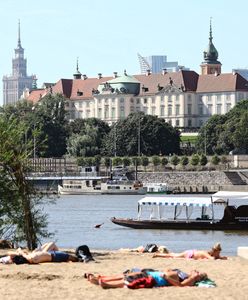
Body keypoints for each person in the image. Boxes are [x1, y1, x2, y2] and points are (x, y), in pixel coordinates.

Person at [85, 268, 208, 289]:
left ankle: (105, 284)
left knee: (128, 281)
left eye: (198, 272)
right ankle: (100, 280)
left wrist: (166, 276)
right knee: (127, 276)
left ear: (198, 277)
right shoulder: (185, 274)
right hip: (153, 274)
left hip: (157, 280)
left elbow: (180, 286)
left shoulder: (191, 279)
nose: (195, 271)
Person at [1, 242, 78, 264]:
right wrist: (19, 252)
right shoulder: (30, 258)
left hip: (53, 255)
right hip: (54, 256)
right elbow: (10, 253)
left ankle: (71, 259)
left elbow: (10, 253)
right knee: (73, 258)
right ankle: (78, 260)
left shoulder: (28, 257)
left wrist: (19, 252)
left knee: (71, 257)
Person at [152, 243, 227, 260]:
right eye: (218, 252)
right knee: (172, 256)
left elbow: (216, 257)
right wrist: (220, 258)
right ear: (215, 251)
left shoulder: (212, 254)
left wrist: (221, 257)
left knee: (173, 254)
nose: (219, 254)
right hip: (190, 254)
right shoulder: (206, 253)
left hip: (192, 253)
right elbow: (212, 259)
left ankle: (159, 254)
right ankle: (158, 255)